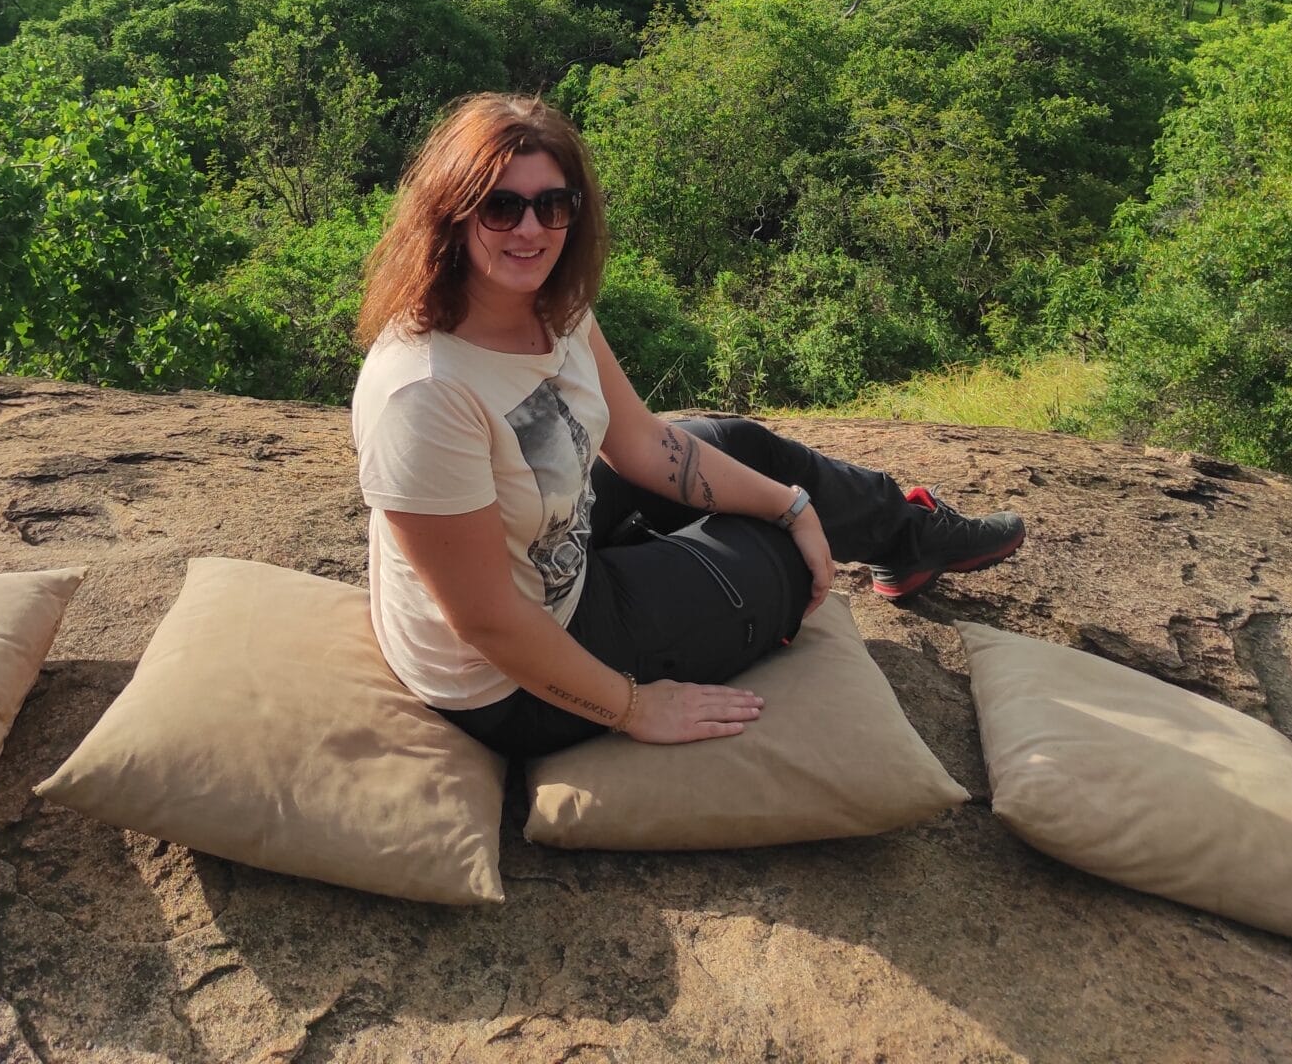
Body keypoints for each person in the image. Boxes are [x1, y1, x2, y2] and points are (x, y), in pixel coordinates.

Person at [351, 93, 1025, 759]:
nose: (531, 229)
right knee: (781, 557)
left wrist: (793, 505)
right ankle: (766, 565)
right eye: (501, 206)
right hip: (508, 681)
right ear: (452, 213)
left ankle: (909, 540)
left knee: (747, 450)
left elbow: (642, 443)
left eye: (553, 205)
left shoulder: (552, 305)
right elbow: (487, 621)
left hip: (551, 543)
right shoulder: (425, 393)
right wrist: (634, 706)